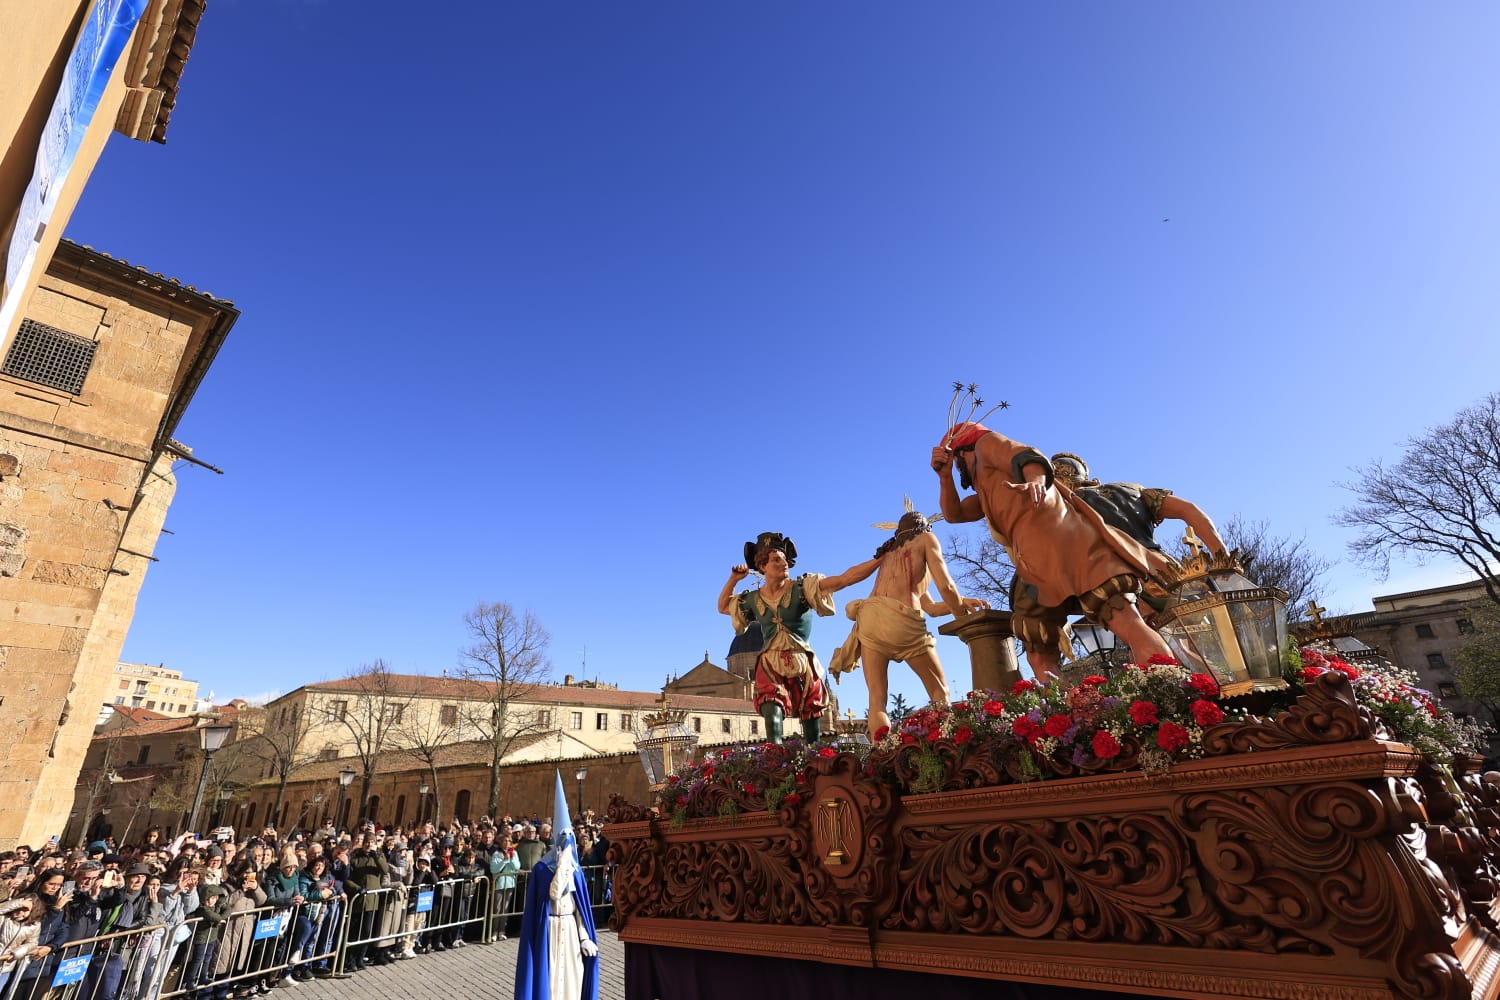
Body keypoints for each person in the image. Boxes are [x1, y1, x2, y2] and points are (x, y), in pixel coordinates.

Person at [932, 421, 1180, 681]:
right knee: (1037, 646)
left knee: (1123, 619)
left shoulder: (986, 444)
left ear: (960, 452)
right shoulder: (988, 485)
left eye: (955, 461)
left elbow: (1027, 455)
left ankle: (1169, 690)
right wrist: (945, 477)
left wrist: (1036, 480)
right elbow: (955, 514)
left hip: (1067, 545)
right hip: (1034, 563)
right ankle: (1071, 715)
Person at [830, 509, 987, 738]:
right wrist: (963, 620)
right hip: (901, 620)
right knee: (939, 691)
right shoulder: (926, 539)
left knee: (877, 698)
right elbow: (947, 587)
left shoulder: (889, 553)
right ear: (925, 527)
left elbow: (931, 606)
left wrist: (961, 603)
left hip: (871, 617)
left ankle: (880, 755)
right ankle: (944, 745)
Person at [717, 532, 879, 743]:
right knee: (771, 714)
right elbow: (722, 607)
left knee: (812, 724)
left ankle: (815, 756)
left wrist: (879, 559)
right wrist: (734, 579)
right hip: (770, 663)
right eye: (776, 560)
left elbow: (844, 579)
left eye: (784, 559)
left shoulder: (803, 588)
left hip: (802, 662)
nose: (783, 563)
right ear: (763, 566)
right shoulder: (753, 599)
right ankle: (773, 759)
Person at [514, 773, 598, 1000]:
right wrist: (561, 868)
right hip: (548, 928)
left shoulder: (577, 871)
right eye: (565, 838)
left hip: (570, 927)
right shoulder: (542, 870)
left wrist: (584, 936)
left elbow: (580, 908)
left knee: (572, 976)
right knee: (549, 978)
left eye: (571, 838)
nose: (569, 843)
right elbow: (553, 893)